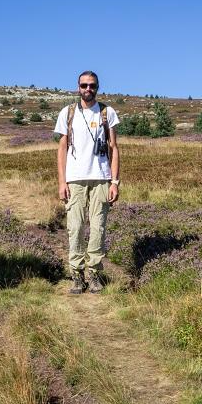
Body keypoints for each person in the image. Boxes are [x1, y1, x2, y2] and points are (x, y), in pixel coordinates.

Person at [54, 71, 120, 294]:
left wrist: (115, 182)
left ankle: (94, 274)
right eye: (84, 85)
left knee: (98, 228)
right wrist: (62, 182)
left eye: (92, 85)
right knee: (75, 228)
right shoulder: (68, 112)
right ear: (78, 87)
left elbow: (114, 148)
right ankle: (76, 275)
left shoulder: (107, 112)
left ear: (98, 87)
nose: (88, 89)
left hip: (101, 179)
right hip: (75, 180)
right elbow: (62, 148)